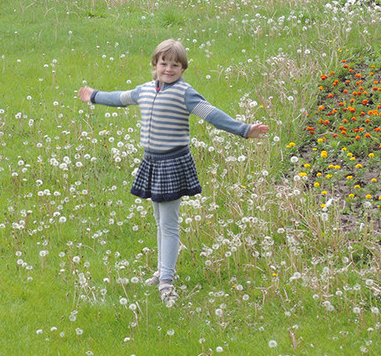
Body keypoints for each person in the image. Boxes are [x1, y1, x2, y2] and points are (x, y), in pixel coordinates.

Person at [78, 39, 269, 306]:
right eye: (163, 63)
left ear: (183, 68)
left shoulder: (185, 93)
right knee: (160, 220)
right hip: (152, 162)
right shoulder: (144, 90)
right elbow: (120, 98)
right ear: (154, 65)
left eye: (175, 65)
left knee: (168, 224)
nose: (168, 69)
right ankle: (162, 271)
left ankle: (167, 281)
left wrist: (245, 129)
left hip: (173, 163)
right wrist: (94, 95)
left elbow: (212, 114)